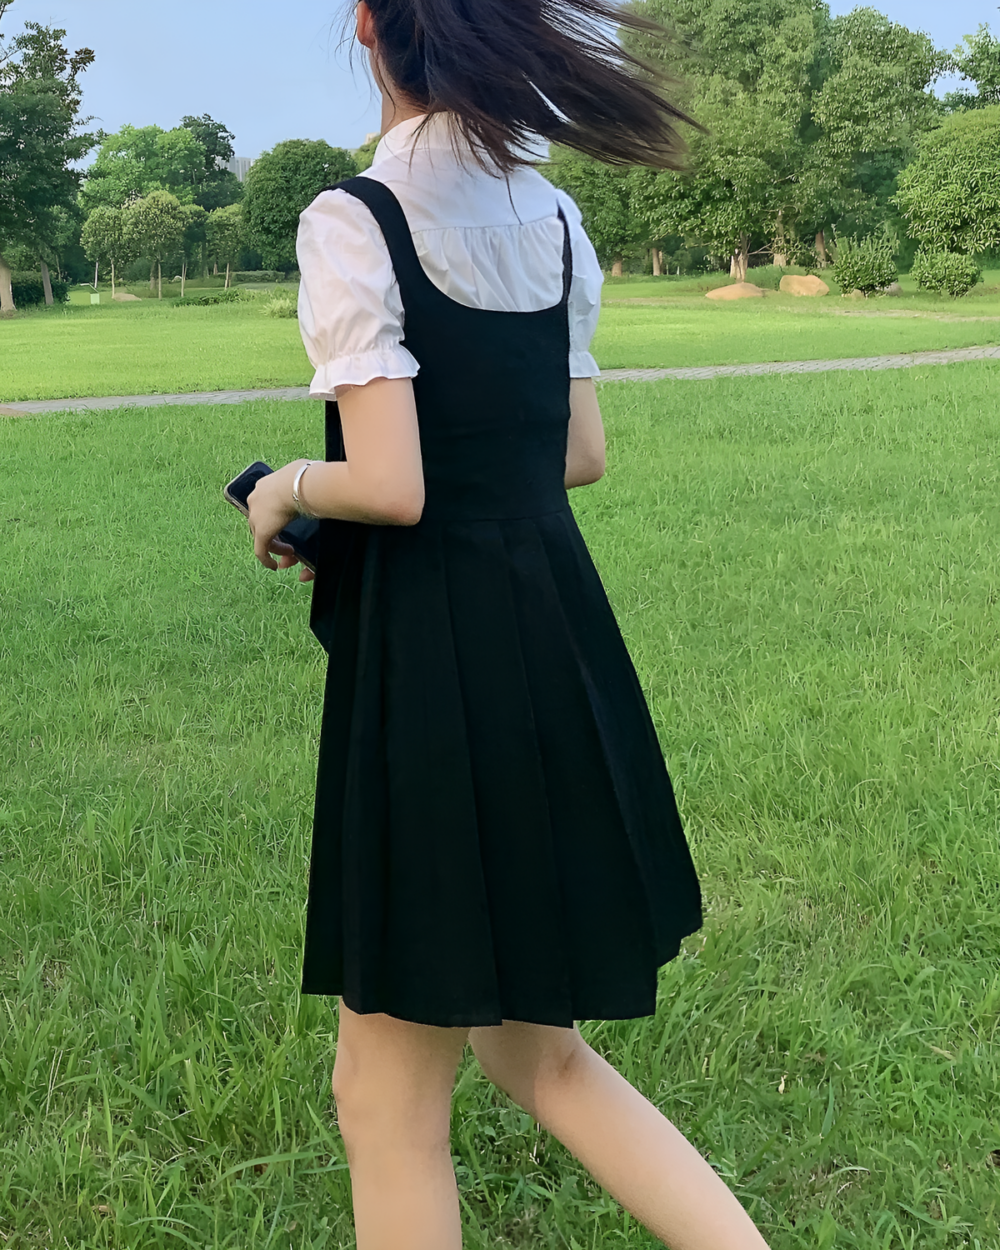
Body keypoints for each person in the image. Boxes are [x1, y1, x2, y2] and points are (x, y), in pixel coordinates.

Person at [245, 1, 773, 1246]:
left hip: (431, 665)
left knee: (383, 1096)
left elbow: (393, 485)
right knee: (538, 1053)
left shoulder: (354, 217)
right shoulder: (553, 214)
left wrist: (284, 485)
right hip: (549, 637)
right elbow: (577, 454)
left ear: (368, 28)